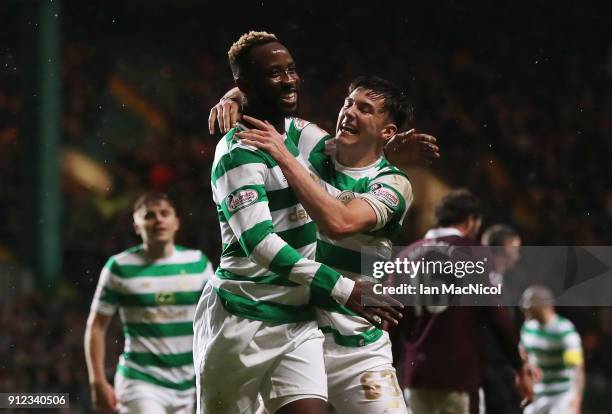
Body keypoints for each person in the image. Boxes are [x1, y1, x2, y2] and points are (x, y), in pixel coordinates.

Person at [194, 31, 404, 414]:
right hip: (241, 317)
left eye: (291, 69)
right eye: (275, 73)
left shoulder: (301, 135)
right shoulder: (237, 151)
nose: (290, 79)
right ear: (247, 82)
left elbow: (349, 165)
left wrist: (388, 147)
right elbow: (260, 245)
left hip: (299, 322)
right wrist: (345, 289)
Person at [235, 75, 418, 413]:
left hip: (357, 349)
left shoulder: (392, 183)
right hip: (293, 337)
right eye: (348, 102)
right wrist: (234, 95)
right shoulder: (307, 139)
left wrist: (284, 157)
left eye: (365, 109)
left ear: (387, 132)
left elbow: (339, 223)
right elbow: (260, 105)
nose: (349, 112)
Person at [391, 190, 533, 414]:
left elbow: (393, 319)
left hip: (417, 374)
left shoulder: (406, 255)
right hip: (457, 373)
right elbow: (496, 316)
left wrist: (390, 364)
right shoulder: (474, 253)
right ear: (471, 220)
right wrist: (519, 365)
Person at [84, 192, 213, 413]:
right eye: (149, 215)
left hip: (187, 385)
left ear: (176, 222)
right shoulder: (119, 267)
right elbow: (96, 325)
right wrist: (97, 380)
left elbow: (213, 322)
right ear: (137, 226)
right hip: (140, 381)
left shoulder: (198, 264)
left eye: (165, 213)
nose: (158, 220)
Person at [480, 224, 525, 414]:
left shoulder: (497, 281)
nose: (518, 255)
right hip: (490, 369)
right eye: (516, 248)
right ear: (506, 247)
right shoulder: (485, 280)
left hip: (495, 367)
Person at [520, 286, 585, 414]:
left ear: (541, 304)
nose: (524, 306)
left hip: (561, 396)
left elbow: (577, 367)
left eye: (528, 301)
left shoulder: (563, 330)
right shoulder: (528, 327)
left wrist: (576, 400)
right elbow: (524, 359)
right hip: (538, 394)